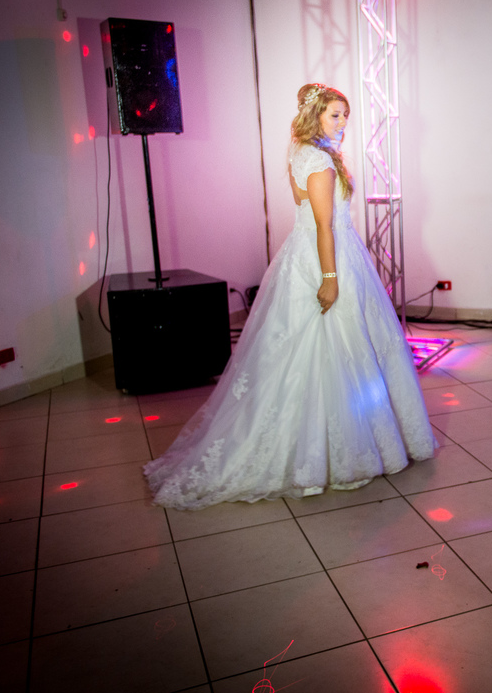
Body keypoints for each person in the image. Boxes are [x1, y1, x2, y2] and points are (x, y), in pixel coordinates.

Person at [144, 83, 435, 510]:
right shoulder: (319, 160)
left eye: (345, 116)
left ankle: (332, 443)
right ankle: (330, 454)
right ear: (315, 115)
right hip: (326, 258)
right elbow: (323, 225)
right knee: (334, 351)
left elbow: (303, 207)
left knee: (315, 353)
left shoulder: (300, 152)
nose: (342, 123)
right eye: (335, 115)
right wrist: (331, 277)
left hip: (304, 256)